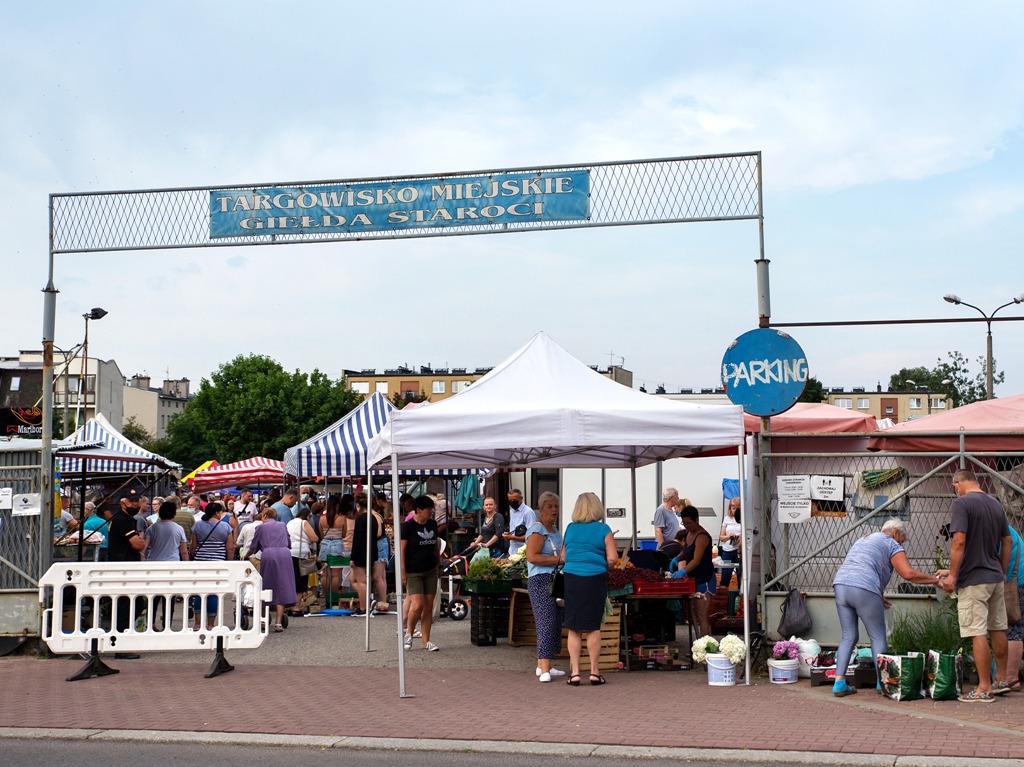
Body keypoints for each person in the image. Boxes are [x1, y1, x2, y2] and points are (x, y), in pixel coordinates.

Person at [831, 519, 943, 697]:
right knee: (877, 635)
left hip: (841, 586)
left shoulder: (864, 539)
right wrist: (937, 581)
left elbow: (862, 566)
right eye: (902, 540)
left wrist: (877, 595)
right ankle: (882, 681)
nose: (901, 544)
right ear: (896, 533)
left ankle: (839, 683)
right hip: (863, 587)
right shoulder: (891, 543)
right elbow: (908, 574)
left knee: (848, 636)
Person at [939, 469, 1014, 703]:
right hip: (994, 577)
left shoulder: (962, 503)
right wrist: (1001, 572)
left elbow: (959, 540)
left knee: (976, 631)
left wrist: (952, 576)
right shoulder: (995, 503)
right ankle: (1001, 680)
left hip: (974, 580)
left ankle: (983, 688)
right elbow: (1007, 540)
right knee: (997, 627)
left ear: (957, 484)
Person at [561, 492, 617, 687]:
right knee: (593, 626)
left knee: (574, 627)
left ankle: (575, 673)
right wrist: (602, 567)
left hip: (572, 579)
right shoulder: (603, 529)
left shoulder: (570, 528)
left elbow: (563, 557)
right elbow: (612, 558)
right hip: (595, 578)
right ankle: (594, 672)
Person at [525, 491, 565, 682]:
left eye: (556, 506)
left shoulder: (555, 530)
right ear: (540, 509)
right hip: (541, 580)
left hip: (555, 580)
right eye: (549, 506)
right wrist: (559, 559)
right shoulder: (537, 530)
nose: (554, 510)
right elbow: (532, 557)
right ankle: (545, 668)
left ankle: (544, 665)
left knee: (555, 621)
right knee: (546, 622)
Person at [107, 495, 147, 658]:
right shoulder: (122, 520)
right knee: (127, 604)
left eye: (137, 502)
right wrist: (140, 541)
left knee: (135, 603)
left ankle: (120, 638)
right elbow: (138, 544)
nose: (135, 504)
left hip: (128, 566)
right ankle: (120, 645)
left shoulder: (130, 519)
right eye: (131, 502)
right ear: (123, 504)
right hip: (122, 567)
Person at [401, 496, 441, 652]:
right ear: (419, 510)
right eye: (429, 509)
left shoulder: (432, 524)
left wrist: (439, 563)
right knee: (417, 605)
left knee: (428, 606)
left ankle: (426, 641)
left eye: (432, 509)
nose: (431, 512)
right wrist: (403, 572)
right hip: (413, 570)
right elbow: (402, 551)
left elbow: (435, 545)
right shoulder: (408, 526)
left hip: (431, 568)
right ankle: (409, 632)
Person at [188, 502, 236, 631]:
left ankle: (197, 623)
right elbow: (230, 548)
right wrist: (229, 563)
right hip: (218, 563)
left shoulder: (197, 526)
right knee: (213, 593)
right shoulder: (225, 527)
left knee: (198, 592)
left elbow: (193, 546)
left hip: (200, 563)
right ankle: (210, 624)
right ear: (216, 512)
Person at [248, 507, 296, 632]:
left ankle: (264, 620)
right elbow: (289, 542)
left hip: (269, 554)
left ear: (264, 516)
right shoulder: (282, 525)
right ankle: (278, 622)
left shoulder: (261, 527)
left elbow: (254, 546)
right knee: (283, 585)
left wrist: (245, 555)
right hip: (285, 554)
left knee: (267, 585)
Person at [671, 505, 716, 638]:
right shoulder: (689, 534)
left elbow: (696, 560)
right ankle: (699, 645)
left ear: (697, 520)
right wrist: (676, 558)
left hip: (705, 579)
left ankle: (706, 648)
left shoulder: (702, 536)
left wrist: (682, 570)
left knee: (702, 616)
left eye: (689, 523)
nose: (686, 526)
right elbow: (686, 552)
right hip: (694, 579)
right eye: (684, 523)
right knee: (696, 614)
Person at [145, 501, 189, 631]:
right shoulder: (178, 528)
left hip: (153, 565)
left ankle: (151, 623)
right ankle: (167, 625)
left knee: (153, 596)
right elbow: (184, 551)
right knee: (169, 596)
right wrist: (186, 566)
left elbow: (144, 547)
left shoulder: (152, 528)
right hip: (172, 566)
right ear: (173, 514)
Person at [1002, 525, 1024, 692]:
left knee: (1014, 627)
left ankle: (1010, 678)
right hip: (1019, 579)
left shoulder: (995, 528)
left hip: (1016, 583)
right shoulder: (1005, 526)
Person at [349, 497, 378, 617]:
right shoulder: (373, 519)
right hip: (371, 551)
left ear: (360, 506)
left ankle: (364, 607)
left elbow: (357, 539)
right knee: (356, 579)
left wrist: (353, 556)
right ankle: (367, 602)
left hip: (360, 552)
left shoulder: (360, 519)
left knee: (360, 581)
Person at [287, 507, 319, 612]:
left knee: (290, 580)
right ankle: (296, 607)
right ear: (307, 516)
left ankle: (287, 606)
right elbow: (314, 538)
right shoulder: (304, 523)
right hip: (301, 554)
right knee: (300, 582)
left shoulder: (289, 523)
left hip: (289, 552)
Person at [318, 496, 348, 596]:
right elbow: (344, 534)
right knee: (336, 574)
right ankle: (334, 597)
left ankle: (326, 597)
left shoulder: (322, 519)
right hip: (338, 544)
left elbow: (322, 535)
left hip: (325, 544)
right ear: (337, 505)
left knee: (325, 574)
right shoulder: (342, 518)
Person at [371, 494, 390, 615]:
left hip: (379, 544)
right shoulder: (377, 515)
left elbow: (377, 533)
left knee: (378, 576)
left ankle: (383, 602)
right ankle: (383, 601)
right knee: (381, 576)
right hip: (382, 544)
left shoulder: (375, 516)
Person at [502, 489, 536, 558]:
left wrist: (512, 537)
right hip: (512, 550)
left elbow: (531, 535)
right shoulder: (512, 511)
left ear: (521, 498)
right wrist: (509, 534)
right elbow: (515, 529)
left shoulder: (527, 512)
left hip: (523, 552)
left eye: (514, 500)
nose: (512, 502)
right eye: (510, 500)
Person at [719, 497, 742, 589]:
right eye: (733, 508)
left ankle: (741, 599)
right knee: (725, 577)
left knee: (741, 577)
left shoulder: (743, 519)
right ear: (730, 509)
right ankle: (723, 599)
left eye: (738, 508)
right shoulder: (727, 519)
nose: (735, 510)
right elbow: (721, 537)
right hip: (727, 551)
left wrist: (740, 538)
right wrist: (729, 536)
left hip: (738, 551)